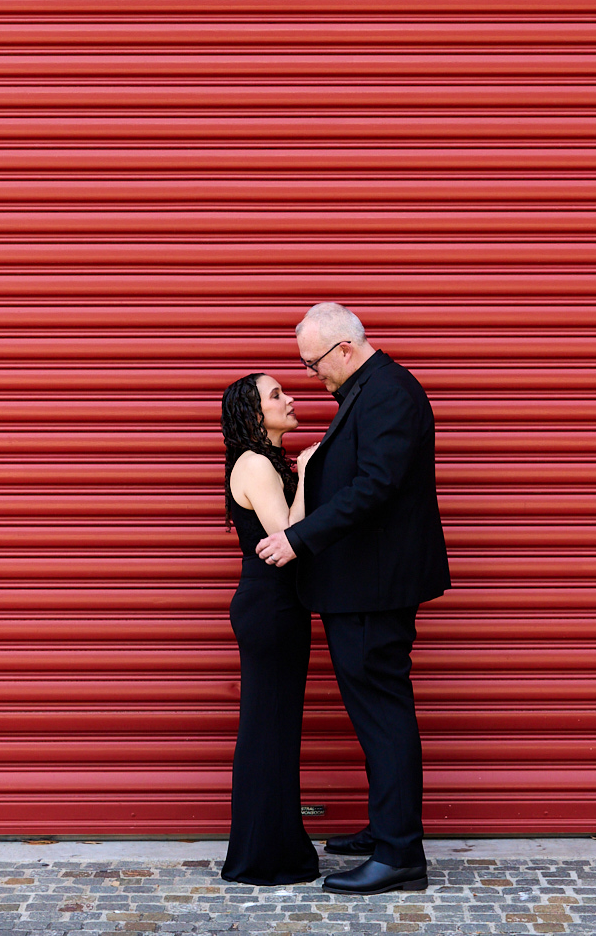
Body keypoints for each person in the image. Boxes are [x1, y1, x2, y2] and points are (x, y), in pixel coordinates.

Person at [255, 301, 449, 895]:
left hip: (375, 586)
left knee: (383, 715)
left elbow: (376, 485)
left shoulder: (388, 392)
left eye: (314, 364)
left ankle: (399, 855)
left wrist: (297, 537)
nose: (312, 376)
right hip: (362, 583)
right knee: (373, 714)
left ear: (343, 348)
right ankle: (388, 828)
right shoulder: (371, 390)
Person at [217, 371, 324, 885]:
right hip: (270, 609)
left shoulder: (262, 462)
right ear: (253, 413)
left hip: (277, 608)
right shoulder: (256, 463)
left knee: (273, 731)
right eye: (276, 395)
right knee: (267, 733)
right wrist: (306, 474)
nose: (290, 398)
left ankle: (271, 848)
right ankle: (262, 857)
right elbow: (287, 537)